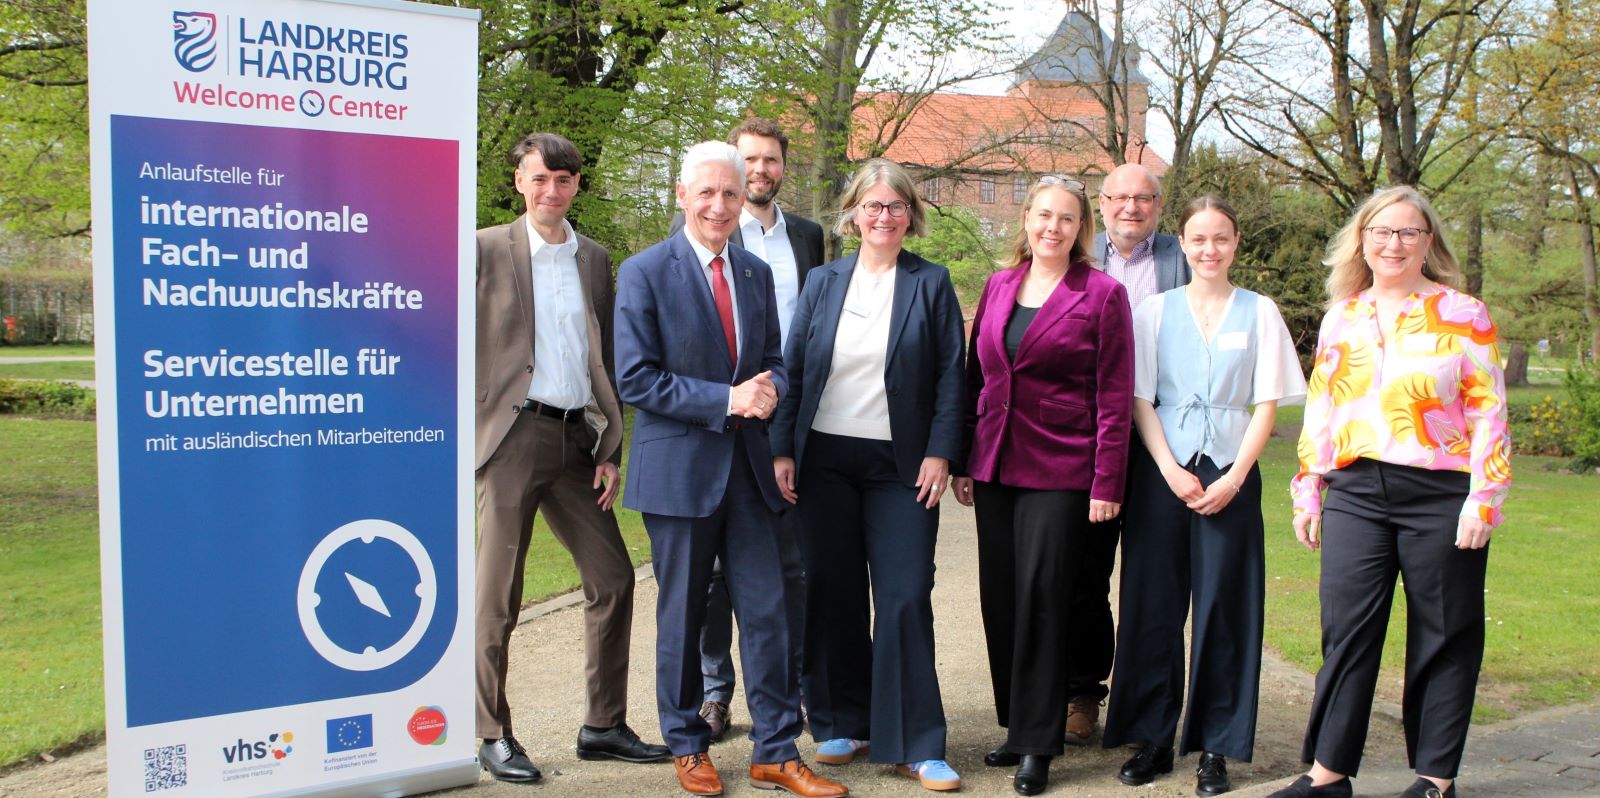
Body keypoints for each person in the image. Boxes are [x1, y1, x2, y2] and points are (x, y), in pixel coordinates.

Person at [615, 141, 846, 798]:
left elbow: (770, 356)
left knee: (770, 612)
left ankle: (775, 749)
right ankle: (687, 744)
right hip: (680, 475)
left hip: (748, 472)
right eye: (707, 192)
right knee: (684, 616)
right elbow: (635, 377)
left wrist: (768, 390)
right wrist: (727, 399)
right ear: (682, 195)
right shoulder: (644, 271)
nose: (719, 205)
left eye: (731, 193)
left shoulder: (750, 272)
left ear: (744, 200)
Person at [1269, 186, 1511, 798]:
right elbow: (1321, 411)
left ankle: (1435, 778)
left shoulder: (1464, 313)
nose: (1393, 243)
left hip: (1440, 493)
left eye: (1408, 232)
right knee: (1346, 632)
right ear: (1363, 240)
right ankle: (1328, 775)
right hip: (1355, 489)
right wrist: (1308, 491)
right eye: (1381, 231)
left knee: (1445, 631)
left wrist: (1484, 499)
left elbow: (1490, 414)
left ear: (1428, 242)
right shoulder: (1342, 316)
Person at [473, 132, 670, 784]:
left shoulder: (593, 257)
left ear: (576, 185)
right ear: (519, 183)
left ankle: (603, 725)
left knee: (613, 579)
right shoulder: (482, 250)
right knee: (499, 592)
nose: (551, 191)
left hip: (576, 443)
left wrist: (609, 445)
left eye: (562, 180)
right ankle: (491, 731)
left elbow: (600, 358)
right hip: (510, 439)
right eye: (539, 180)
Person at [769, 159, 966, 792]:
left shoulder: (931, 283)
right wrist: (782, 449)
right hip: (824, 458)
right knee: (832, 589)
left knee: (906, 595)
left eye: (896, 206)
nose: (883, 216)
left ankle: (915, 741)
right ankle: (842, 719)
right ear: (853, 212)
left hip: (900, 466)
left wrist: (941, 451)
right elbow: (793, 369)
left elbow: (950, 378)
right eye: (872, 206)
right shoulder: (823, 281)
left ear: (912, 215)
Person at [1101, 196, 1307, 796]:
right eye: (1198, 239)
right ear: (1182, 244)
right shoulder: (1154, 312)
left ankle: (1215, 743)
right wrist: (1167, 468)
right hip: (1164, 472)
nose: (1209, 249)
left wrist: (1235, 477)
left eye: (1220, 238)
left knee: (1226, 608)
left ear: (1236, 243)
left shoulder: (1260, 311)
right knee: (1152, 604)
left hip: (1231, 473)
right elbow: (1139, 397)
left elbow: (1267, 403)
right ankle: (1153, 737)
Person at [953, 175, 1134, 796]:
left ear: (1081, 229)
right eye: (1043, 215)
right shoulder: (1000, 283)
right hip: (995, 463)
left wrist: (1107, 479)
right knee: (1000, 597)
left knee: (1043, 597)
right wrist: (963, 459)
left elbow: (1114, 396)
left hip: (1063, 468)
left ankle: (1039, 742)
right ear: (1026, 218)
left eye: (1066, 219)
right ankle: (1016, 724)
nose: (1053, 227)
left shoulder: (1103, 294)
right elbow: (977, 375)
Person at [670, 118, 827, 743]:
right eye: (748, 161)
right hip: (718, 420)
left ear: (782, 167)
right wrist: (727, 400)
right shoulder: (696, 238)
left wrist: (783, 399)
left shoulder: (809, 238)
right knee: (711, 579)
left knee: (786, 568)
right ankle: (715, 692)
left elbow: (811, 329)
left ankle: (786, 691)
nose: (759, 171)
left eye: (769, 160)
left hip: (788, 411)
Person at [1064, 163, 1191, 747]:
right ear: (1102, 203)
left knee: (1154, 578)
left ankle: (1147, 706)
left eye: (1144, 198)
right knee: (1085, 572)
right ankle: (1082, 692)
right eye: (1119, 197)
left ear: (1159, 206)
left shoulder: (1181, 257)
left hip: (1165, 437)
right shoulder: (1075, 254)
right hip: (1092, 437)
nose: (1131, 208)